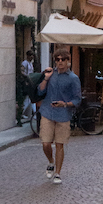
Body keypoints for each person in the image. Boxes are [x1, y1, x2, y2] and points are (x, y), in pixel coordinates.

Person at [35, 49, 81, 183]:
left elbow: (77, 99)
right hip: (47, 112)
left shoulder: (73, 78)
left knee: (59, 145)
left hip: (63, 115)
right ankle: (51, 162)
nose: (60, 62)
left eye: (63, 59)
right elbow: (40, 91)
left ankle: (58, 173)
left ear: (68, 61)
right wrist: (46, 78)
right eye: (57, 59)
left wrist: (65, 104)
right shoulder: (50, 74)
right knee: (45, 143)